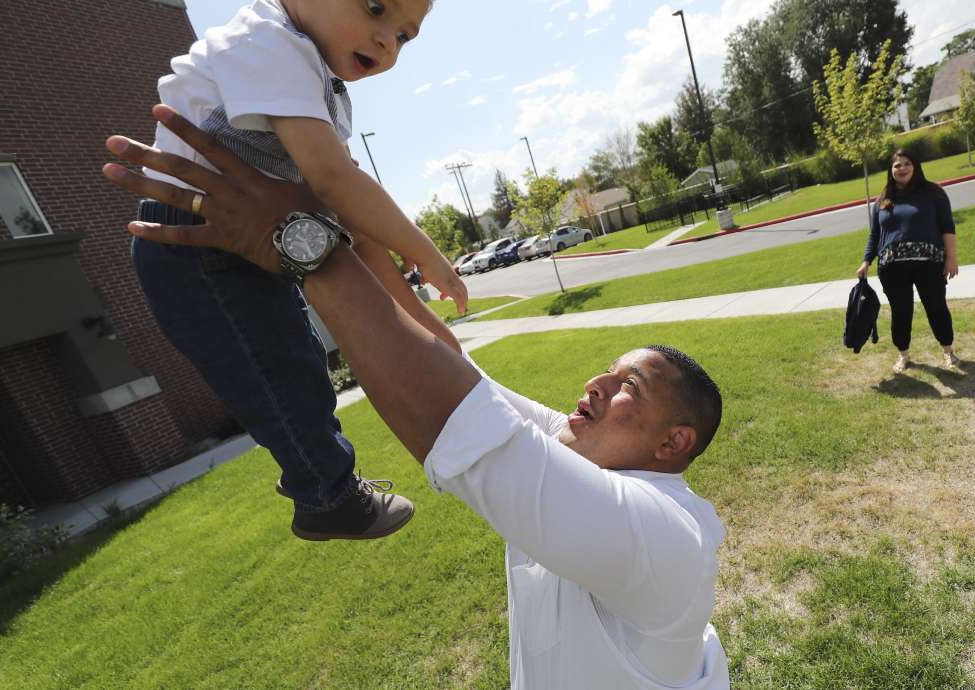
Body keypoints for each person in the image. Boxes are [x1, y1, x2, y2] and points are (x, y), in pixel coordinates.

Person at [104, 107, 731, 689]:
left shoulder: (666, 535)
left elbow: (449, 414)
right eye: (607, 371)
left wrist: (295, 239)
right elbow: (453, 369)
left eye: (627, 386)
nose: (594, 384)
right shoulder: (586, 456)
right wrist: (346, 221)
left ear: (674, 443)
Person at [132, 0, 468, 541]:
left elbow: (349, 220)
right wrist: (426, 251)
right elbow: (333, 183)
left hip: (244, 236)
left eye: (405, 36)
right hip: (193, 238)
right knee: (275, 370)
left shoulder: (319, 83)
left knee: (299, 361)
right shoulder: (267, 41)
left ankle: (320, 482)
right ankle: (325, 493)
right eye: (376, 8)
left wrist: (432, 331)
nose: (388, 41)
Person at [855, 150, 961, 374]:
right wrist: (866, 261)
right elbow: (875, 235)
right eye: (896, 165)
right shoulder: (883, 200)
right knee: (901, 311)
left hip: (929, 264)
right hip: (892, 268)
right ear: (890, 171)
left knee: (937, 308)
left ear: (915, 166)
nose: (901, 168)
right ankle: (903, 355)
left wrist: (951, 258)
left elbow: (947, 227)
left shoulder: (933, 193)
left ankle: (948, 351)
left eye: (906, 164)